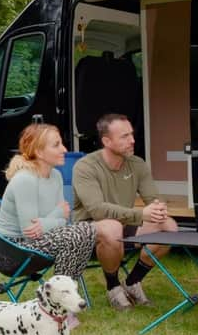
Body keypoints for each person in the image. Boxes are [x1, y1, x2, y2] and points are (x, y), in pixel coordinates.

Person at [72, 113, 178, 311]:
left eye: (132, 134)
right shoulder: (85, 167)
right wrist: (140, 215)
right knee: (112, 228)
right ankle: (113, 287)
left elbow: (153, 198)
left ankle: (132, 282)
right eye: (124, 136)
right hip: (88, 229)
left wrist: (159, 208)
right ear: (106, 141)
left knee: (169, 226)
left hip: (124, 223)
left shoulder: (137, 164)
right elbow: (97, 210)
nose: (132, 140)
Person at [0, 123, 95, 280]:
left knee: (88, 230)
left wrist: (46, 222)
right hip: (9, 252)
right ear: (39, 152)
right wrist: (58, 213)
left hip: (36, 245)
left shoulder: (56, 176)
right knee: (73, 235)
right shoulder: (25, 180)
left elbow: (64, 221)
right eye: (56, 145)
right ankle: (59, 294)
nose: (64, 150)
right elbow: (30, 233)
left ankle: (68, 288)